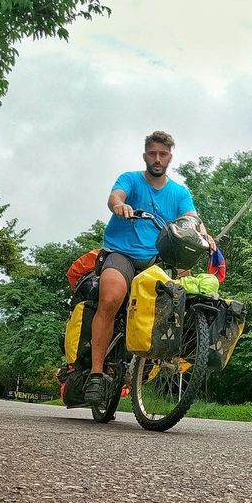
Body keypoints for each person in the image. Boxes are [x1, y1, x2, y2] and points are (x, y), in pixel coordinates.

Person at [84, 130, 214, 405]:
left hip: (155, 259)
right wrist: (119, 206)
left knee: (176, 298)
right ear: (145, 155)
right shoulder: (130, 179)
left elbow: (191, 219)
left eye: (163, 154)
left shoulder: (178, 193)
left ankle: (150, 362)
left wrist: (205, 235)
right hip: (121, 254)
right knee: (111, 296)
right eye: (153, 153)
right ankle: (96, 373)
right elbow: (114, 197)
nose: (157, 158)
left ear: (170, 157)